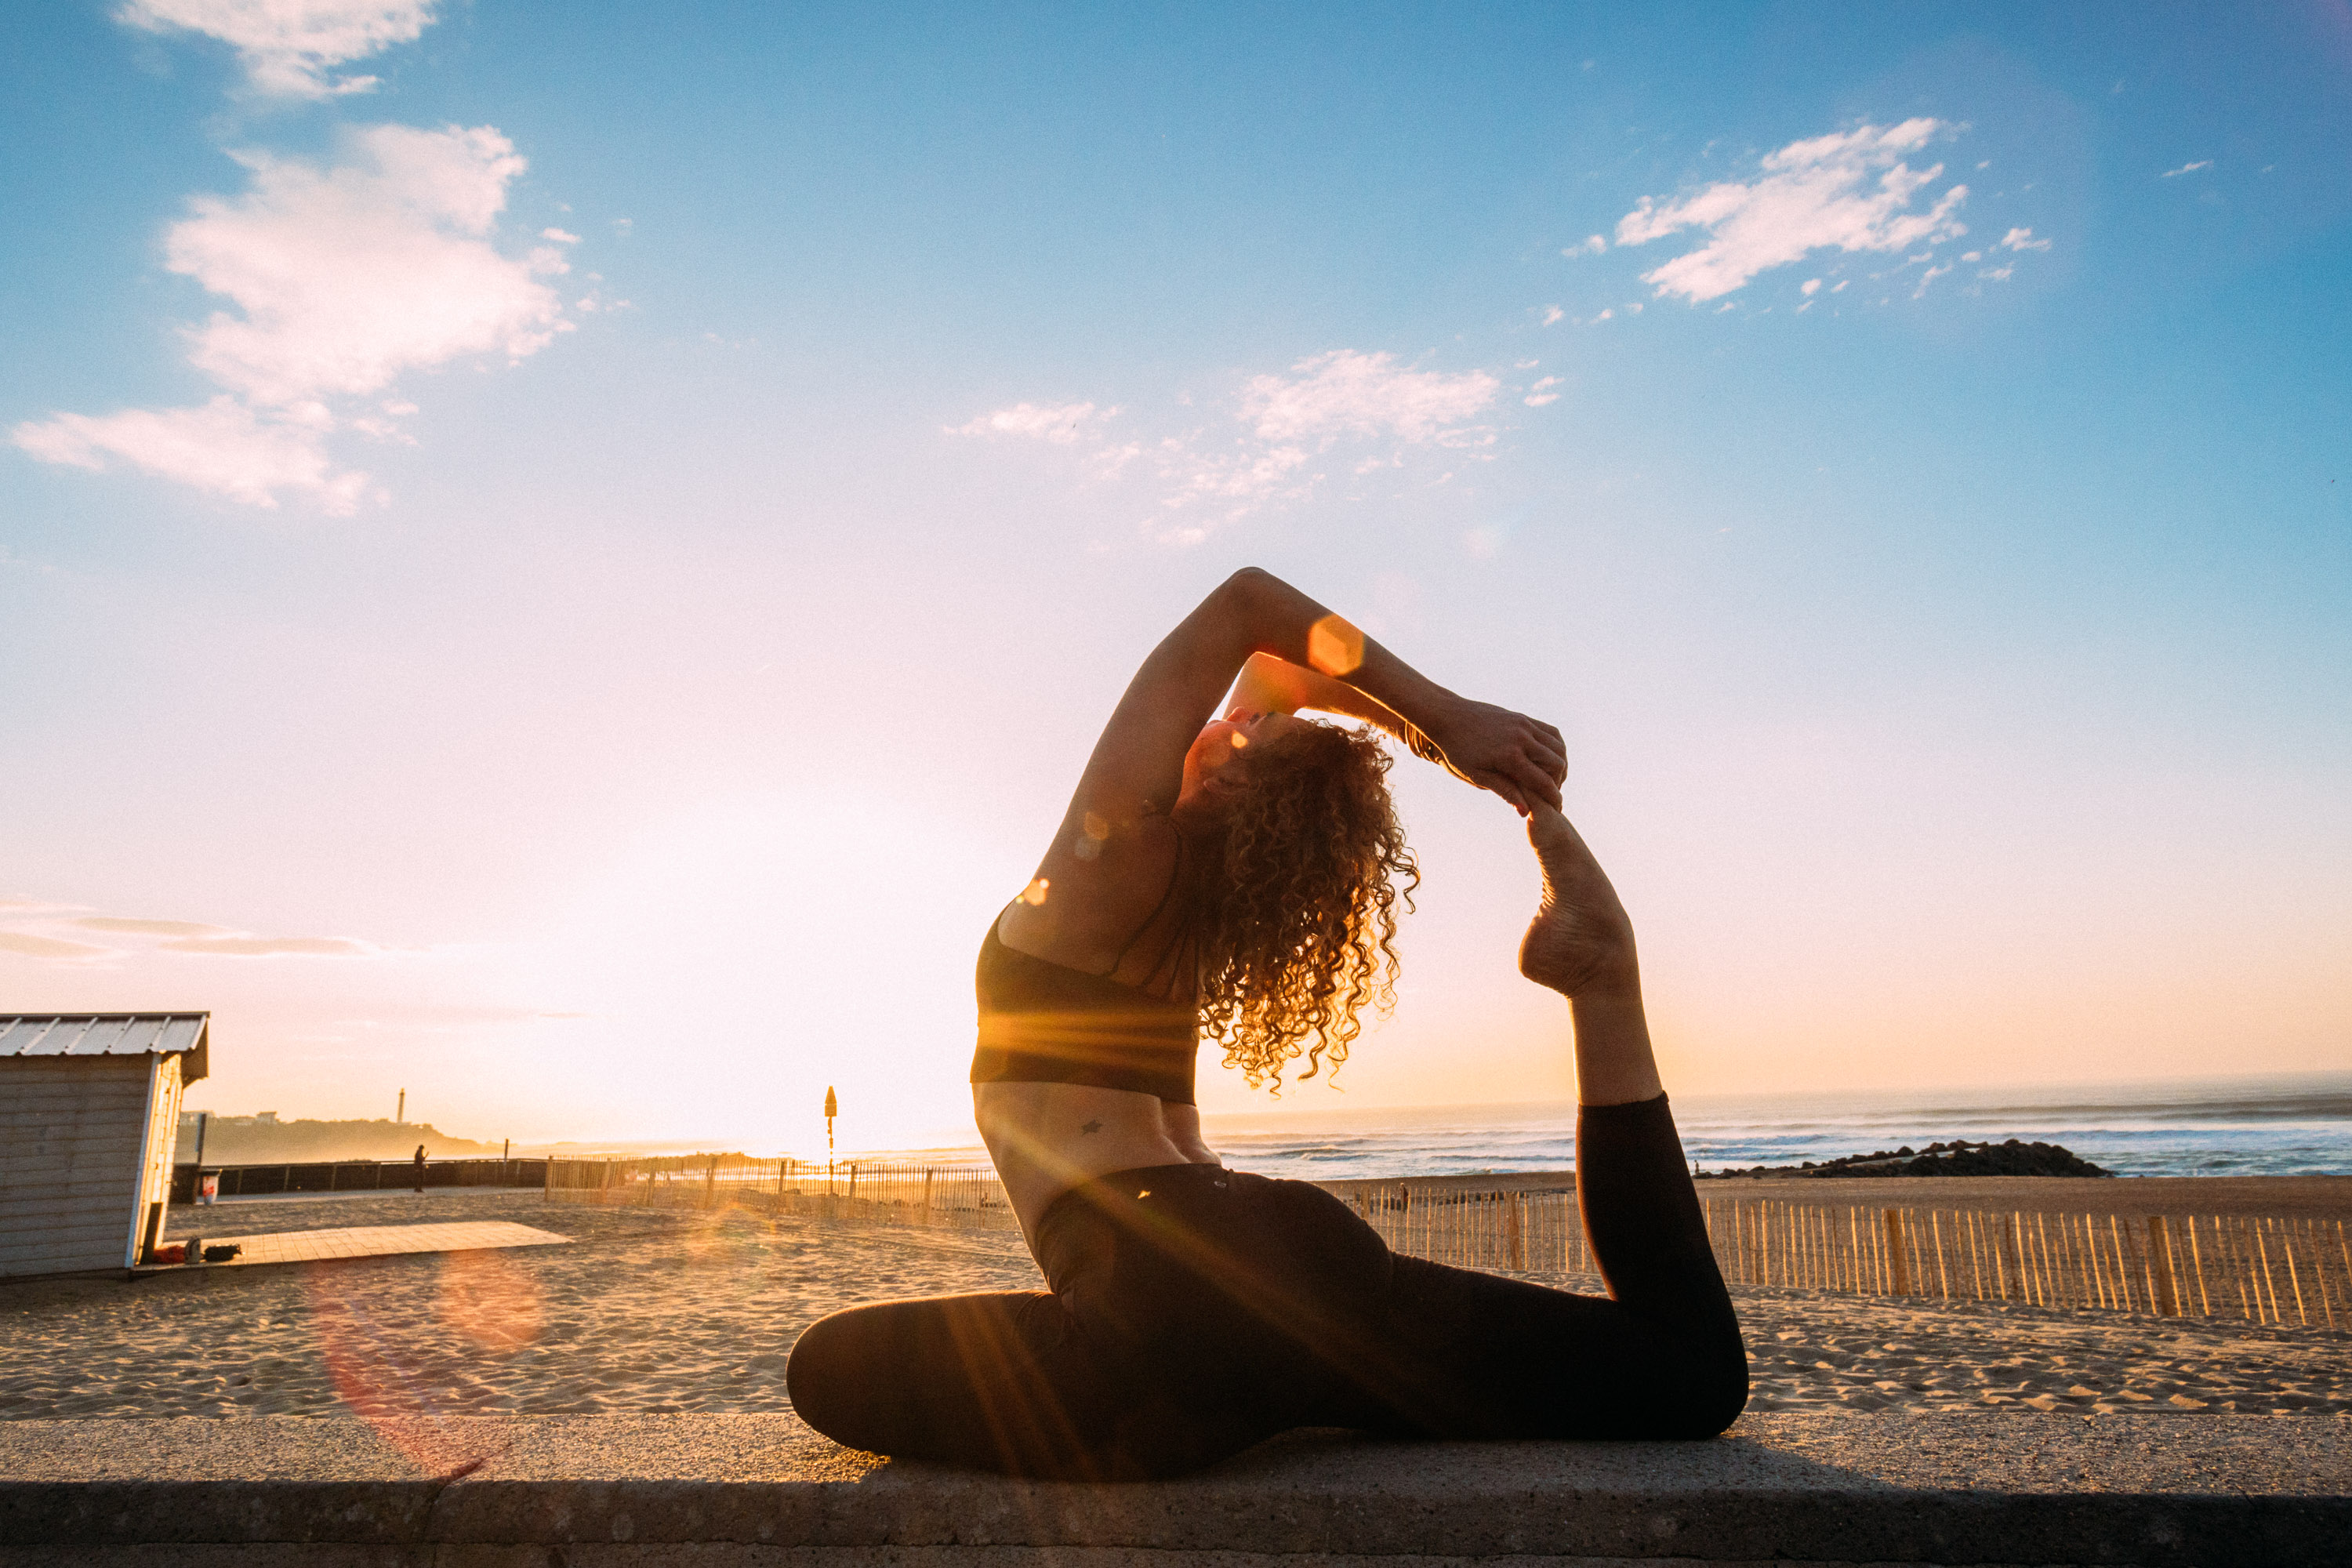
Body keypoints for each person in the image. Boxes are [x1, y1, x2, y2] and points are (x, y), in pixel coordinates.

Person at [787, 568, 1746, 1478]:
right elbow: (1284, 669)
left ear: (1228, 785)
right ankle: (1604, 985)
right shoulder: (1210, 897)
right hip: (1305, 1264)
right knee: (1682, 1372)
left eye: (1247, 730)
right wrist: (1418, 735)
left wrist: (1448, 721)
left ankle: (1212, 1393)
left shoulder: (1113, 862)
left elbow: (1246, 607)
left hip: (1156, 1316)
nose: (1235, 713)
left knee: (823, 1366)